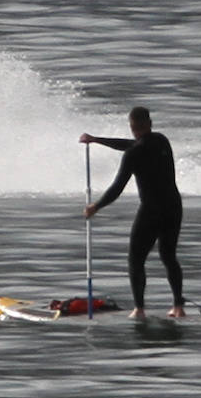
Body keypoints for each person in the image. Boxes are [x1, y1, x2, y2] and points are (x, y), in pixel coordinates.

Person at [79, 106, 185, 319]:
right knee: (169, 256)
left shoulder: (133, 154)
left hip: (151, 211)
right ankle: (178, 307)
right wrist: (97, 140)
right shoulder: (162, 141)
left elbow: (117, 188)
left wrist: (95, 207)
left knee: (136, 260)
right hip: (173, 207)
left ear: (132, 126)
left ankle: (139, 310)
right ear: (150, 124)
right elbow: (131, 144)